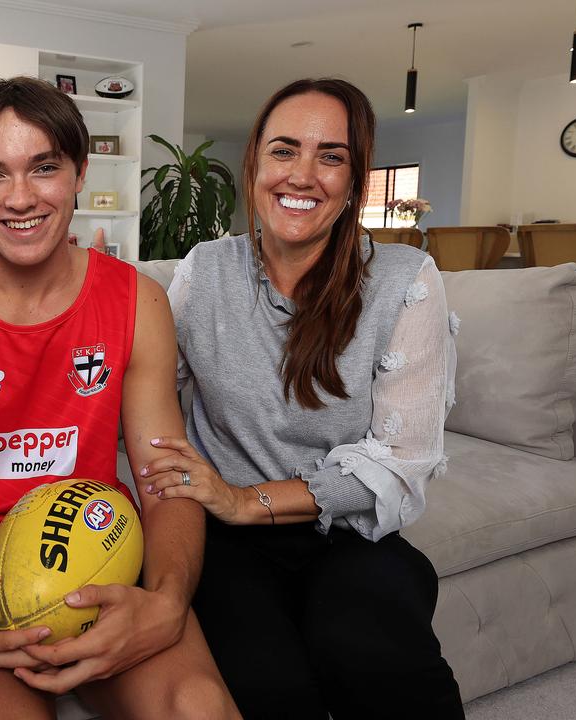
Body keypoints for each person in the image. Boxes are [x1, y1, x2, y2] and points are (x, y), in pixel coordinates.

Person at [0, 76, 239, 719]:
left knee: (199, 707)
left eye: (43, 168)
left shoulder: (139, 302)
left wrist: (167, 602)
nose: (20, 198)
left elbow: (165, 478)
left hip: (99, 551)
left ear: (79, 172)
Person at [142, 78, 464, 718]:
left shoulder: (405, 280)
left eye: (332, 156)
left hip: (344, 535)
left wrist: (242, 500)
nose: (304, 174)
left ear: (355, 179)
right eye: (284, 151)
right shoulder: (203, 270)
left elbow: (401, 459)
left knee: (381, 659)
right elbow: (146, 399)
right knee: (269, 688)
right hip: (225, 546)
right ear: (254, 165)